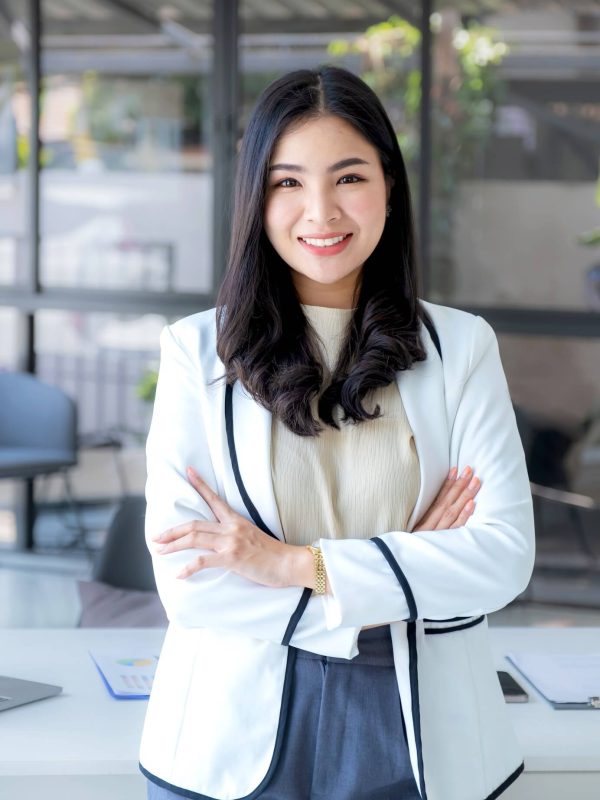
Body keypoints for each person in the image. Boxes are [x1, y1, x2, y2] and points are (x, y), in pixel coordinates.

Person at [139, 66, 534, 800]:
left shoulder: (461, 347)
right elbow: (191, 586)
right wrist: (415, 563)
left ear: (388, 183)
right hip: (230, 738)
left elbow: (504, 559)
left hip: (426, 734)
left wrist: (296, 565)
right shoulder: (197, 354)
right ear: (256, 199)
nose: (320, 212)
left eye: (348, 177)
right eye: (287, 183)